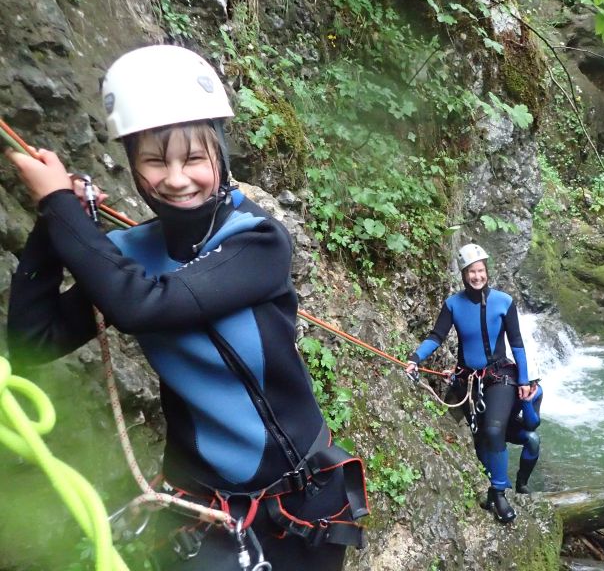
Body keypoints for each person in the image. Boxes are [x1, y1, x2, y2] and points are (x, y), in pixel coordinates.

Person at [5, 45, 367, 570]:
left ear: (220, 154)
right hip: (198, 507)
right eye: (154, 160)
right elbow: (32, 342)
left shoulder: (258, 241)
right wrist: (50, 226)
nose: (176, 179)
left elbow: (146, 306)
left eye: (193, 158)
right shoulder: (129, 255)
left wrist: (61, 207)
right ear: (133, 164)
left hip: (293, 505)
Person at [406, 243, 533, 523]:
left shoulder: (504, 301)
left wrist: (523, 379)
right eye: (471, 272)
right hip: (467, 380)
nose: (477, 276)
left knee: (495, 429)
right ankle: (490, 482)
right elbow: (437, 336)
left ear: (487, 271)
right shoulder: (453, 304)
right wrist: (415, 357)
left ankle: (499, 493)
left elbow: (517, 344)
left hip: (500, 376)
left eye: (481, 271)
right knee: (476, 436)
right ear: (464, 275)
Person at [506, 382, 542, 494]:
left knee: (533, 440)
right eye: (531, 383)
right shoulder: (507, 384)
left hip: (508, 424)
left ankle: (522, 484)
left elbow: (532, 425)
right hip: (489, 424)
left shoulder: (536, 390)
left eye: (536, 382)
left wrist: (527, 401)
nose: (534, 386)